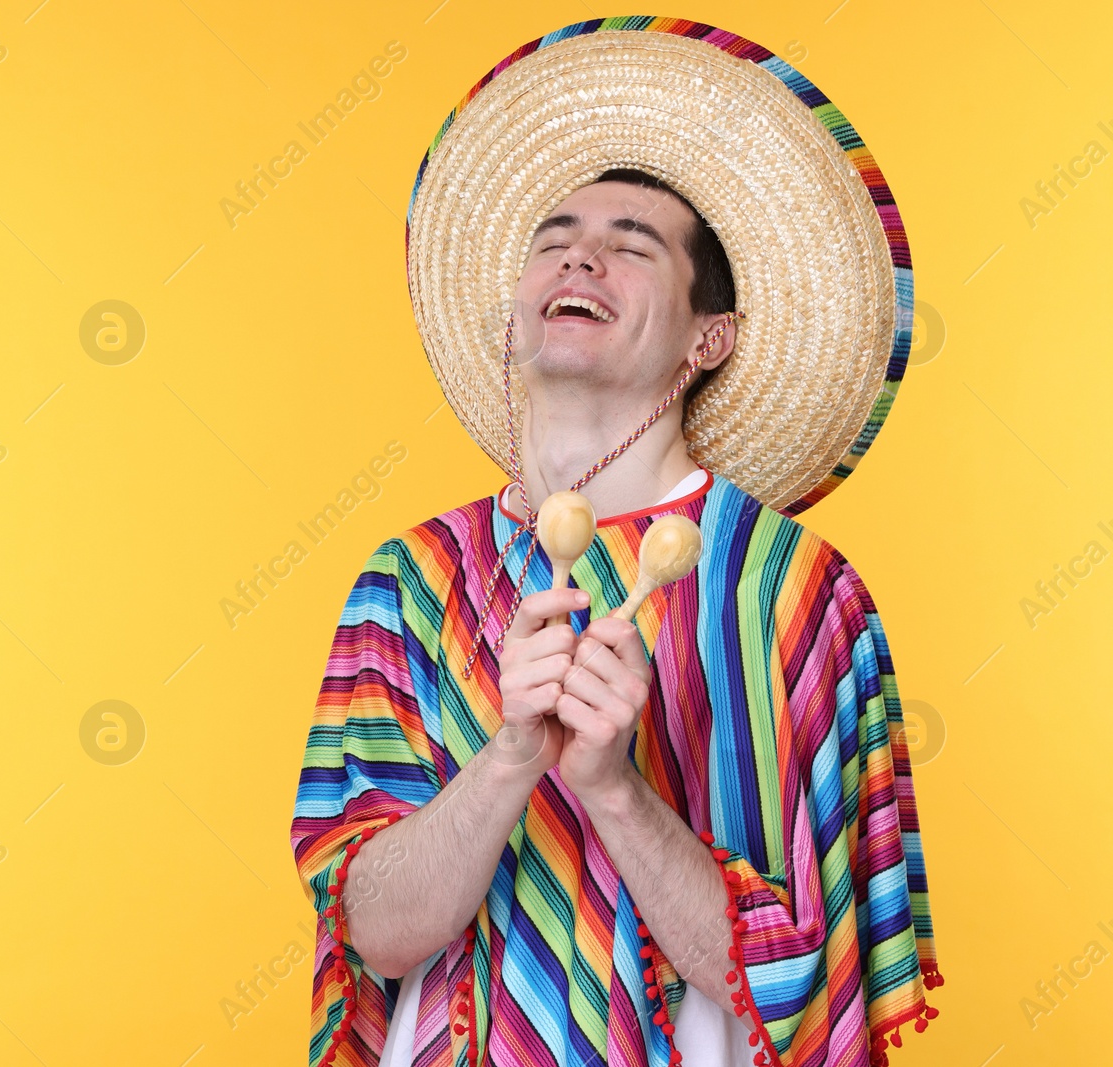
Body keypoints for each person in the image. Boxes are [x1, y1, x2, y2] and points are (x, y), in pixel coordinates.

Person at [289, 18, 942, 1067]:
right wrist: (507, 760)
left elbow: (803, 989)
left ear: (706, 339)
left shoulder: (795, 591)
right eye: (552, 238)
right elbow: (376, 928)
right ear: (511, 320)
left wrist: (612, 786)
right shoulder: (408, 579)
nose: (578, 253)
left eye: (632, 244)